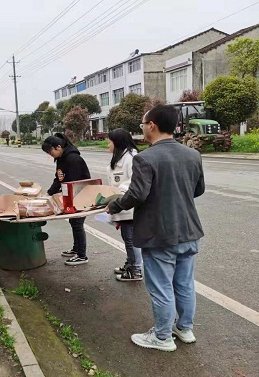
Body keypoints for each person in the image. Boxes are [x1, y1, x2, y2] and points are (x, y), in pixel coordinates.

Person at [107, 105, 205, 352]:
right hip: (189, 230)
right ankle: (184, 329)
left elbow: (137, 194)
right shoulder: (192, 155)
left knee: (161, 287)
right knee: (184, 284)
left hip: (159, 234)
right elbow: (198, 189)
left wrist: (114, 204)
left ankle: (162, 337)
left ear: (152, 125)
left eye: (142, 124)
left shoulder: (145, 158)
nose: (142, 128)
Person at [42, 133, 91, 266]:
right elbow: (59, 178)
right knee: (73, 222)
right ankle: (76, 248)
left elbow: (73, 183)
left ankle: (82, 255)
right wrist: (49, 193)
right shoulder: (61, 159)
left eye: (50, 151)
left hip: (81, 196)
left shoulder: (73, 159)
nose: (49, 154)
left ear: (58, 147)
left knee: (77, 223)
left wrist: (59, 197)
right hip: (71, 196)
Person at [106, 129, 143, 282]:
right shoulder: (121, 157)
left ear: (118, 142)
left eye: (110, 141)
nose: (108, 145)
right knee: (127, 237)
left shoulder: (131, 158)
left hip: (128, 205)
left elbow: (133, 183)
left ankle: (135, 270)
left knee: (130, 239)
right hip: (122, 204)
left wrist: (118, 195)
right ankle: (131, 263)